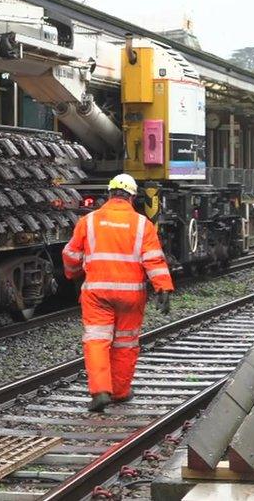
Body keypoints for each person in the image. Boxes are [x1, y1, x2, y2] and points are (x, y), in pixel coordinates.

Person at [61, 173, 174, 412]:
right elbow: (154, 260)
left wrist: (72, 273)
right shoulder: (143, 224)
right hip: (131, 296)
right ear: (132, 198)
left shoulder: (90, 221)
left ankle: (100, 392)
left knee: (97, 341)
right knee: (125, 343)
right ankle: (121, 392)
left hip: (97, 294)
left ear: (110, 194)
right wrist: (163, 288)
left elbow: (70, 255)